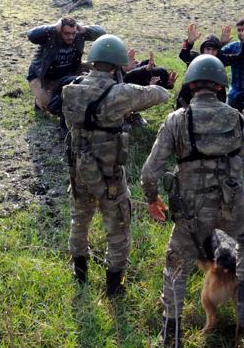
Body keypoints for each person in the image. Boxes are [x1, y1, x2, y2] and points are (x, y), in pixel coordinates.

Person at [141, 55, 244, 346]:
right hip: (232, 205)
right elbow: (238, 168)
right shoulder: (237, 118)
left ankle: (171, 333)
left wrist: (152, 198)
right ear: (221, 88)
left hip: (192, 212)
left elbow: (149, 172)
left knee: (176, 265)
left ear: (191, 85)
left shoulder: (177, 120)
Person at [61, 34, 170, 297]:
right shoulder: (121, 92)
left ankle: (80, 272)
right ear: (115, 67)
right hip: (109, 173)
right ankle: (113, 286)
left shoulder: (70, 90)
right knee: (118, 227)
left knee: (80, 219)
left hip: (80, 170)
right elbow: (161, 95)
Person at [27, 17, 106, 112]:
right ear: (60, 31)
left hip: (67, 72)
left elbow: (102, 33)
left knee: (91, 67)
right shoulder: (51, 35)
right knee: (49, 106)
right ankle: (41, 98)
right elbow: (31, 35)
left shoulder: (79, 35)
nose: (71, 37)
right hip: (42, 76)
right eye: (66, 33)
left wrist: (84, 29)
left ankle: (102, 91)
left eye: (73, 33)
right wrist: (54, 28)